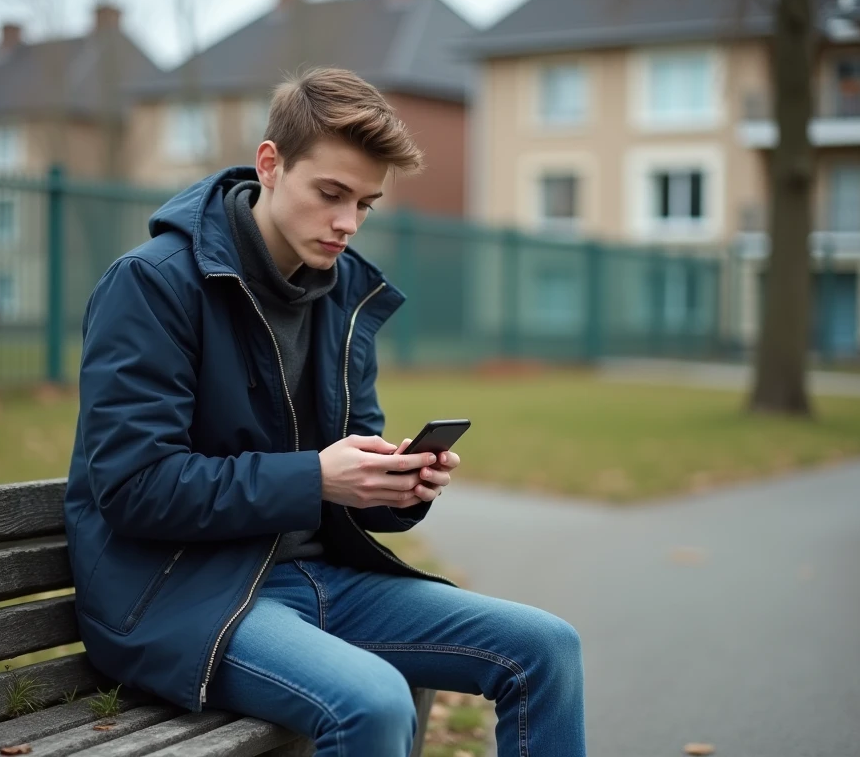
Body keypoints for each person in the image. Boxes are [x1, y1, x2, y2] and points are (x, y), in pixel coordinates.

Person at [63, 66, 586, 756]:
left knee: (547, 647)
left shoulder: (342, 295)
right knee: (372, 702)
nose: (347, 223)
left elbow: (345, 474)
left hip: (321, 580)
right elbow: (136, 489)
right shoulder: (153, 284)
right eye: (331, 194)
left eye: (366, 204)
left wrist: (397, 486)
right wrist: (315, 477)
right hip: (185, 598)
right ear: (270, 164)